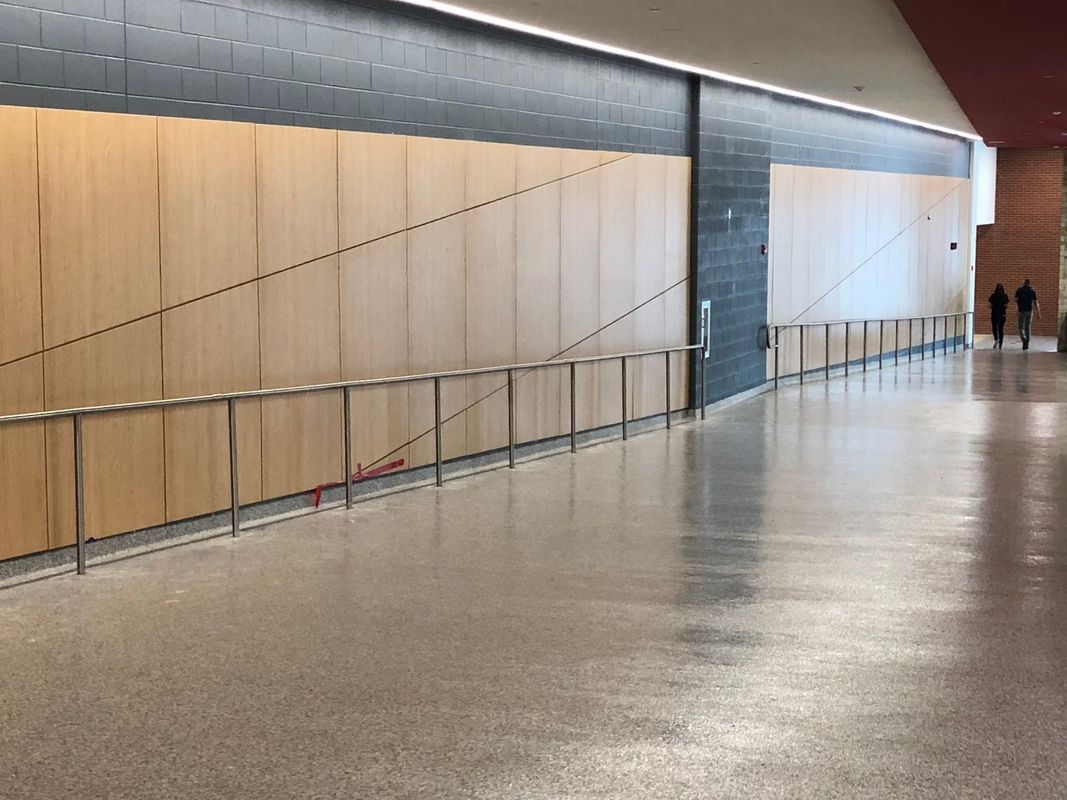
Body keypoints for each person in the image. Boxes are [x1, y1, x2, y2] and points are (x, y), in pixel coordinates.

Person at [1014, 279, 1041, 350]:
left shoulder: (1019, 290)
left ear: (1024, 283)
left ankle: (1024, 340)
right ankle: (1027, 342)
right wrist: (1038, 312)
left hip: (1021, 311)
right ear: (1029, 284)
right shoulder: (1032, 291)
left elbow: (1016, 301)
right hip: (1030, 311)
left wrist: (1016, 309)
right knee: (1027, 327)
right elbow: (1036, 303)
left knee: (1020, 327)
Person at [988, 284, 1009, 349]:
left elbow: (990, 305)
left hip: (994, 313)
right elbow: (1006, 306)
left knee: (994, 328)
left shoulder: (993, 296)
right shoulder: (1005, 296)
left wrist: (993, 306)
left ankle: (997, 339)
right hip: (1002, 314)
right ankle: (1000, 344)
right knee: (1001, 329)